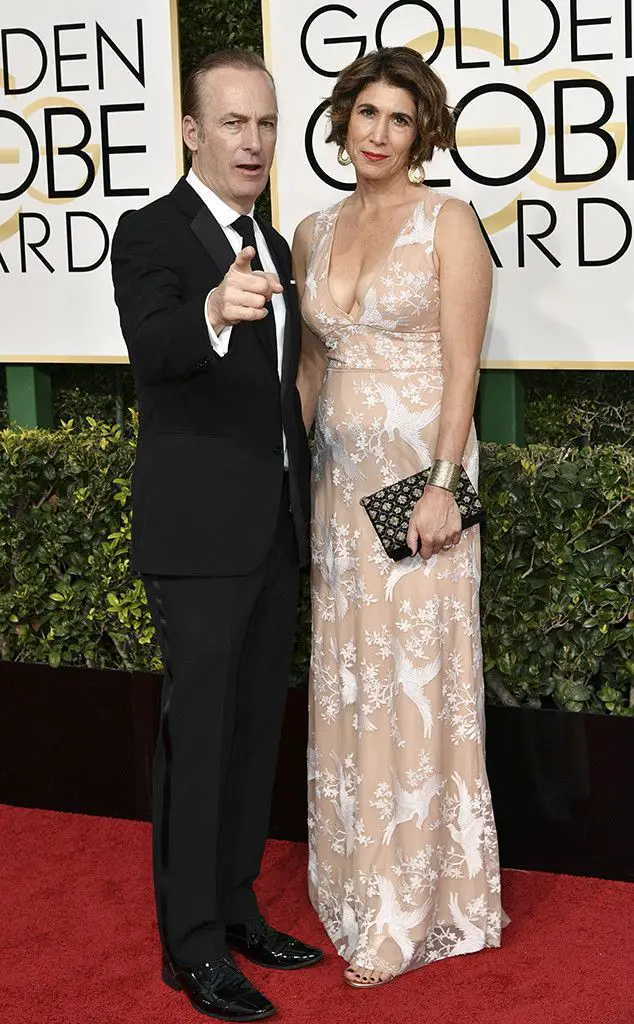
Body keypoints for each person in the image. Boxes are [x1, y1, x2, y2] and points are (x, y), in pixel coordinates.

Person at [111, 49, 321, 1022]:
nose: (253, 141)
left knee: (251, 735)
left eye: (266, 123)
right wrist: (211, 308)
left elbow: (280, 402)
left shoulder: (274, 244)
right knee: (196, 744)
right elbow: (155, 345)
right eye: (233, 122)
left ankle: (236, 908)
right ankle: (189, 946)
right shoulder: (151, 231)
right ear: (192, 131)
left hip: (272, 531)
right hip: (196, 544)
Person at [293, 46, 503, 987]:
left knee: (419, 681)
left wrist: (445, 485)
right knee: (353, 676)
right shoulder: (308, 230)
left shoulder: (449, 222)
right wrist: (279, 479)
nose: (378, 133)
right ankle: (353, 876)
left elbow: (464, 367)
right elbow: (309, 370)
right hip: (340, 496)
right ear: (342, 121)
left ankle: (418, 901)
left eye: (399, 118)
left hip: (419, 489)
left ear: (423, 132)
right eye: (366, 113)